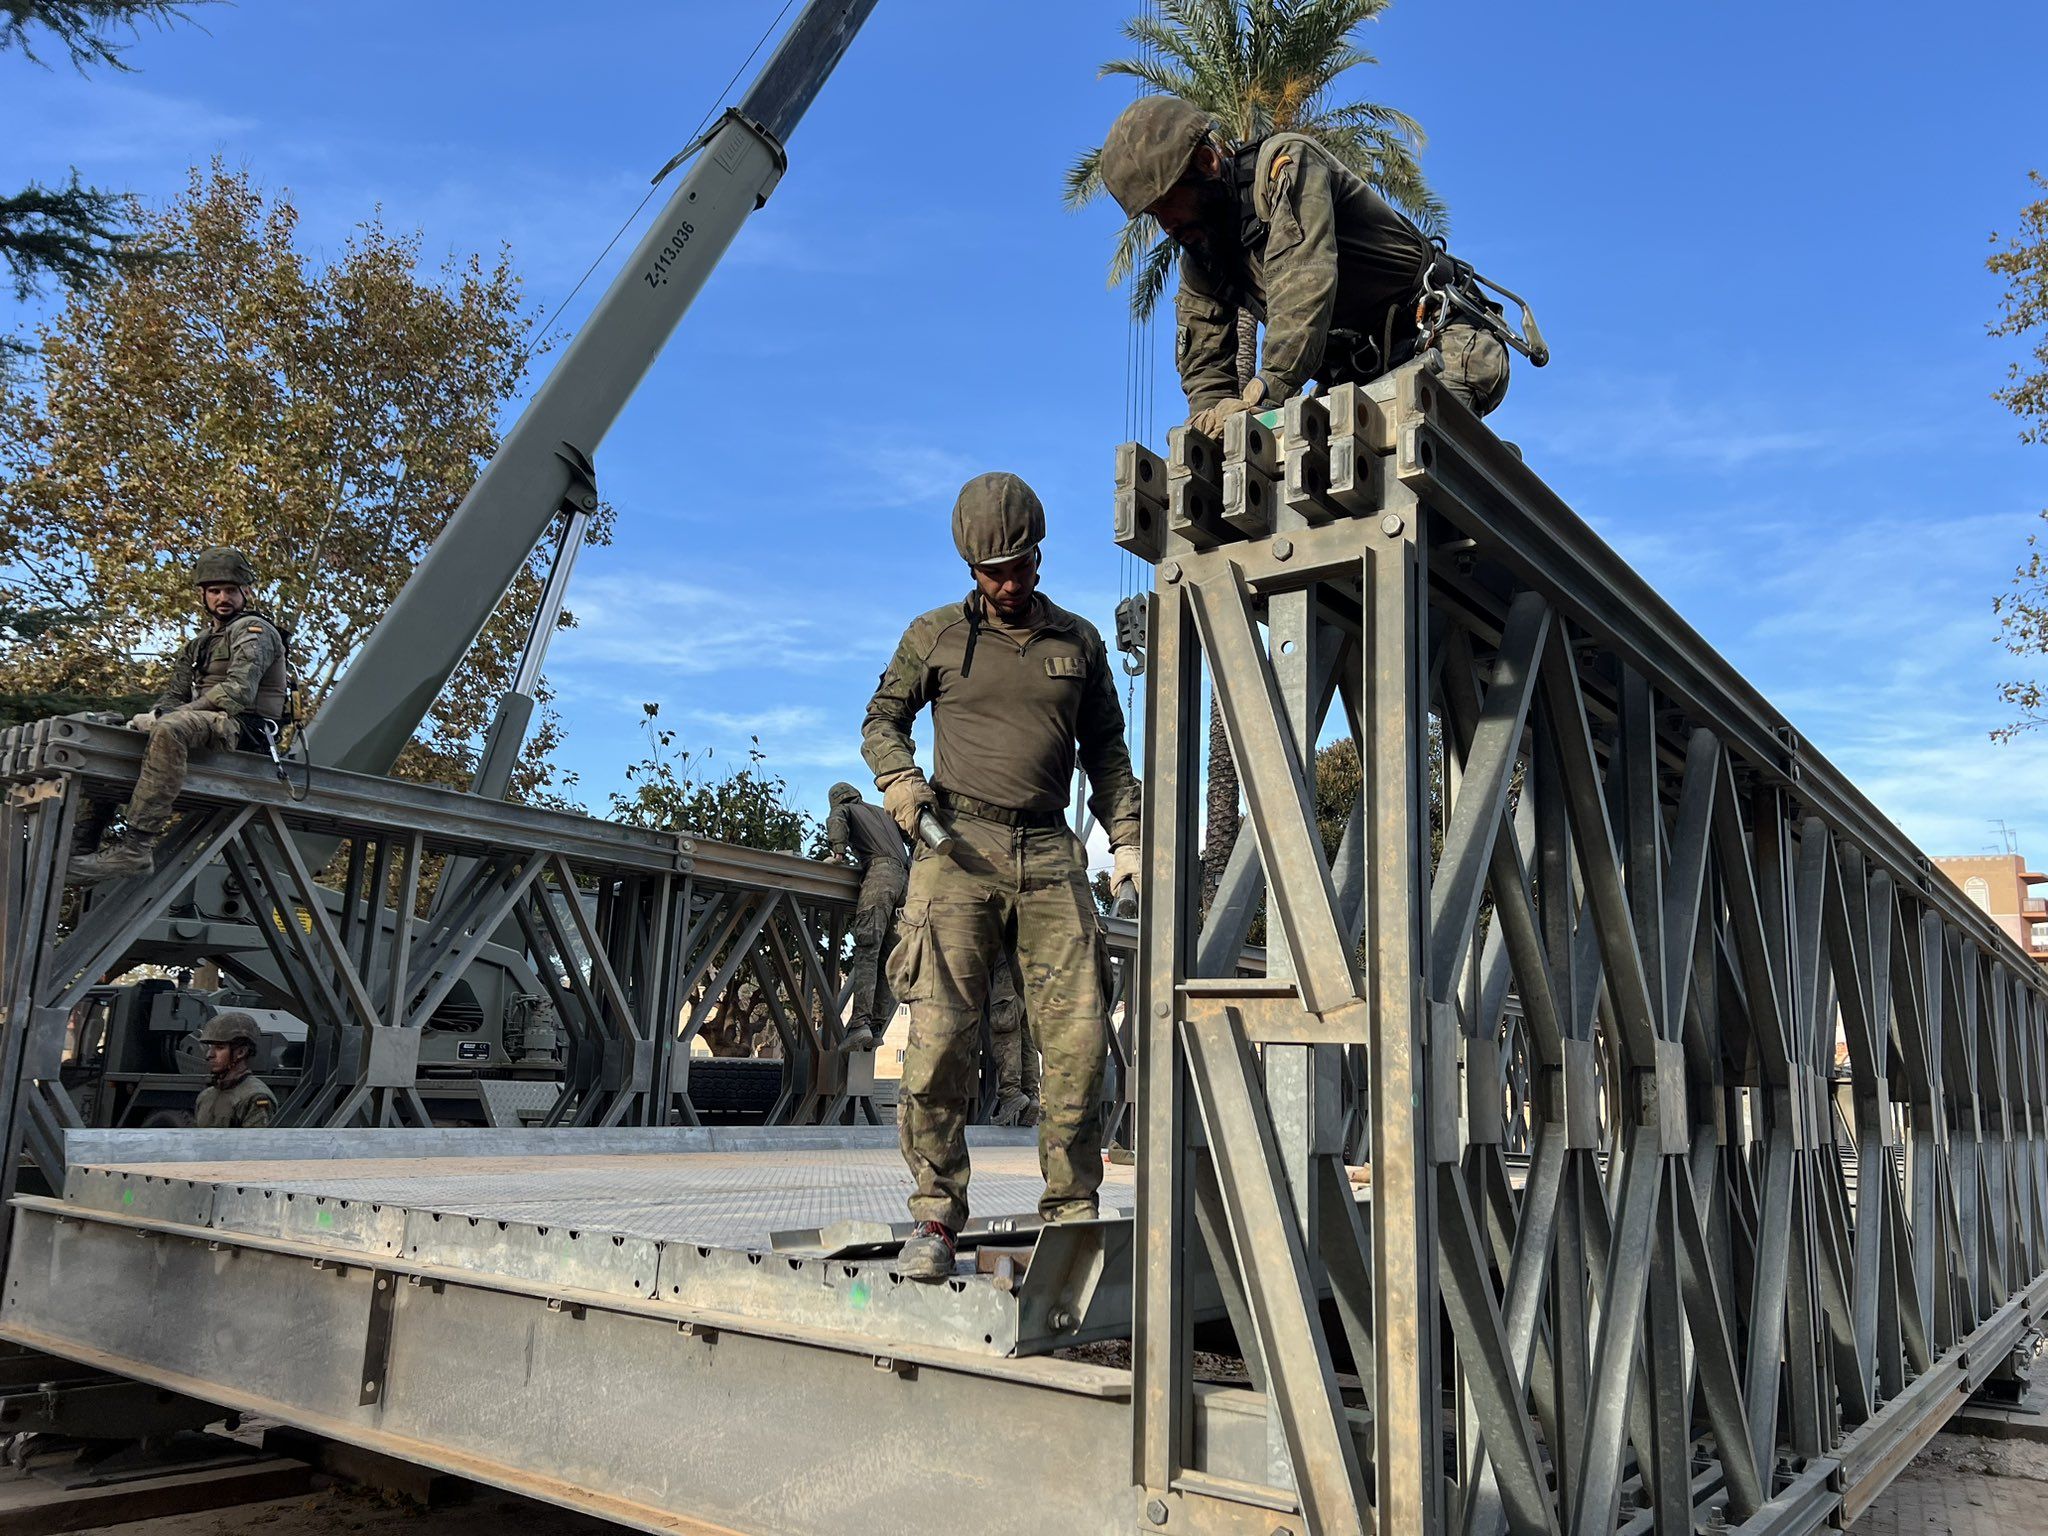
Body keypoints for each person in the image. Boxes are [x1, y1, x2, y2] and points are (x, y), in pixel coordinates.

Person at [862, 471, 1142, 1281]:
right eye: (995, 572)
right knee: (941, 1041)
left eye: (1021, 566)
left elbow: (1110, 755)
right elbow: (882, 719)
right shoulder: (935, 636)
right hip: (956, 851)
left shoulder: (1079, 644)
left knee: (1081, 1040)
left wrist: (1125, 838)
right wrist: (901, 784)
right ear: (971, 570)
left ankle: (1073, 1216)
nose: (1011, 583)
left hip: (1050, 852)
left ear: (1039, 554)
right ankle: (936, 1221)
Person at [1097, 96, 1516, 437]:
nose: (1166, 224)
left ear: (1207, 162)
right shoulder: (1203, 257)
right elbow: (1204, 363)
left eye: (1168, 203)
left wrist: (1260, 394)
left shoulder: (1285, 166)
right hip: (1360, 383)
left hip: (1442, 346)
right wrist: (1209, 431)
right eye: (1153, 214)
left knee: (1402, 470)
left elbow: (1302, 282)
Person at [70, 547, 289, 884]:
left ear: (247, 592)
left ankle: (136, 848)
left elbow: (237, 692)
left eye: (231, 590)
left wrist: (171, 717)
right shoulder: (199, 644)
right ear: (203, 594)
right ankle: (81, 844)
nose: (222, 598)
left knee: (171, 728)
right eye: (214, 591)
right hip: (205, 725)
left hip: (244, 729)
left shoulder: (255, 632)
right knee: (114, 731)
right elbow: (173, 697)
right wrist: (155, 715)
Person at [825, 780, 910, 1053]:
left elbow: (837, 820)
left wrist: (838, 851)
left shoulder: (846, 810)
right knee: (889, 959)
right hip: (907, 884)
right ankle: (876, 1027)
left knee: (867, 948)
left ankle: (859, 1022)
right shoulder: (883, 814)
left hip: (880, 875)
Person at [192, 1011, 277, 1129]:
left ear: (241, 1052)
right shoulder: (206, 1096)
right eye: (210, 1047)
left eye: (220, 1048)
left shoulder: (254, 1097)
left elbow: (257, 1145)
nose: (209, 1055)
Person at [988, 958, 1040, 1127]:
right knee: (1027, 1036)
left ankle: (1010, 1094)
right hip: (1038, 964)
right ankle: (1032, 1095)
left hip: (1011, 957)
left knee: (1005, 1027)